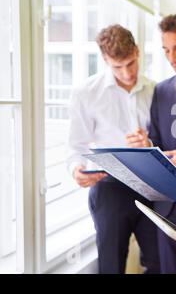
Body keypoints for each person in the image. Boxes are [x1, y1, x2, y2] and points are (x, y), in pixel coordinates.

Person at [67, 24, 159, 274]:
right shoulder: (86, 93)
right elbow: (76, 146)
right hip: (109, 189)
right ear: (105, 60)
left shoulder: (156, 90)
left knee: (161, 262)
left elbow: (167, 144)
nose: (127, 73)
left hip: (151, 186)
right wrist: (77, 169)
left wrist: (149, 142)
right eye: (118, 67)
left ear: (137, 51)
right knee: (111, 266)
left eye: (131, 63)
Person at [126, 14, 176, 273]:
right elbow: (156, 141)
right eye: (166, 50)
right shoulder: (163, 90)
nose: (172, 57)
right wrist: (147, 143)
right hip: (169, 201)